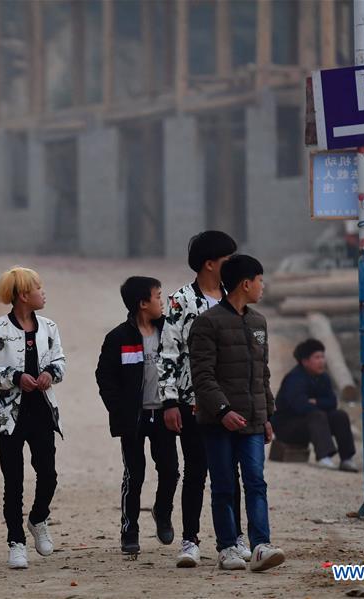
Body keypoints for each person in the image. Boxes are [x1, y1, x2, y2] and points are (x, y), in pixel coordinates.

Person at [190, 254, 285, 572]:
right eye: (260, 280)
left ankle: (261, 546)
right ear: (246, 283)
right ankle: (228, 547)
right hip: (219, 423)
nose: (263, 286)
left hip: (254, 422)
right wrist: (222, 410)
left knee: (256, 482)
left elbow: (263, 373)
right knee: (224, 485)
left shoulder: (259, 322)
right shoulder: (208, 323)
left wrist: (268, 414)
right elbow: (202, 375)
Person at [157, 231, 246, 567]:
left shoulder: (236, 296)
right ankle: (190, 540)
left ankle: (235, 537)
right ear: (210, 264)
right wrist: (169, 401)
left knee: (231, 471)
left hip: (233, 399)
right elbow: (168, 352)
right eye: (227, 260)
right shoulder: (181, 301)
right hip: (192, 402)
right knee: (196, 470)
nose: (233, 266)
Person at [0, 266, 66, 569]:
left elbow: (59, 360)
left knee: (49, 475)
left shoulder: (49, 327)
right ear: (24, 295)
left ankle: (38, 519)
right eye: (39, 288)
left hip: (42, 412)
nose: (44, 293)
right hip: (8, 417)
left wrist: (50, 373)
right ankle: (16, 542)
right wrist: (13, 376)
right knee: (13, 482)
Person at [96, 276, 179, 555]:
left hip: (165, 414)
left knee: (170, 470)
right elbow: (105, 377)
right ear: (143, 304)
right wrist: (119, 410)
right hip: (134, 419)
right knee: (135, 474)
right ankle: (129, 530)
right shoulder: (119, 338)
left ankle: (162, 511)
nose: (162, 302)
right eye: (158, 297)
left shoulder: (169, 332)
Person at [273, 339, 358, 472]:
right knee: (317, 415)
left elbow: (332, 402)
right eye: (317, 357)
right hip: (288, 428)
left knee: (339, 415)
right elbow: (299, 406)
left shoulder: (323, 378)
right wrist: (319, 405)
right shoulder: (295, 378)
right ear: (305, 361)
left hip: (314, 423)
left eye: (323, 356)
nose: (321, 361)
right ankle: (324, 456)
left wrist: (316, 402)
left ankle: (346, 459)